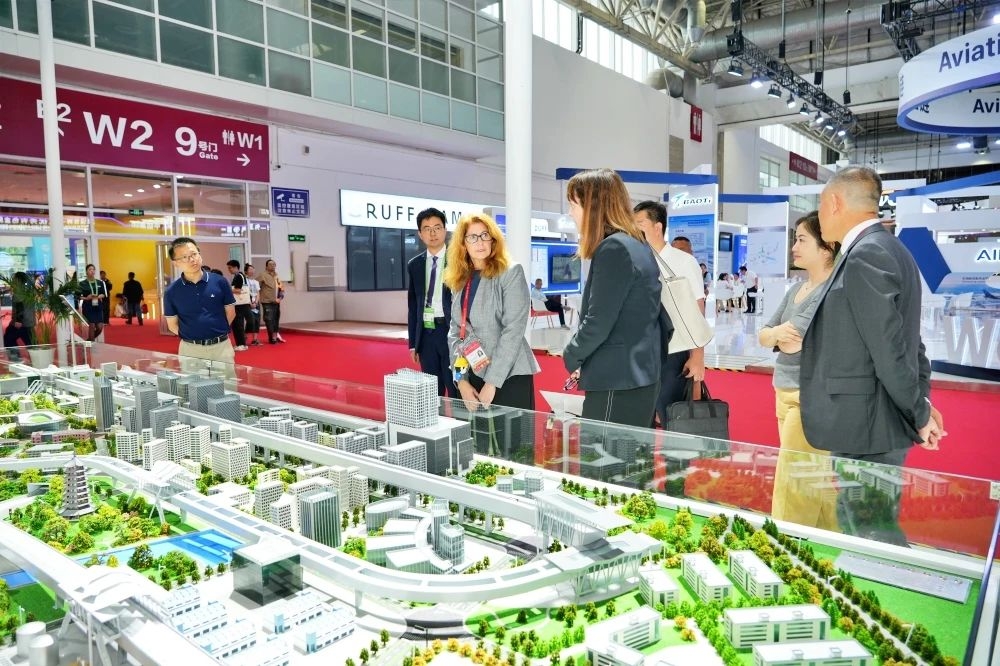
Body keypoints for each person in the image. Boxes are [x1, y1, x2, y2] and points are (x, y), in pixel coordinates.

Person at [797, 166, 945, 546]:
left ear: (834, 203)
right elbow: (908, 340)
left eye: (821, 205)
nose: (820, 215)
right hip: (872, 421)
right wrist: (922, 403)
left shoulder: (867, 255)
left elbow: (890, 349)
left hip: (868, 424)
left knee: (872, 531)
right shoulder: (887, 249)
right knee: (861, 525)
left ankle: (893, 585)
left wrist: (919, 411)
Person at [562, 168, 667, 428]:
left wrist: (572, 355)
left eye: (573, 205)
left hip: (616, 379)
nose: (571, 213)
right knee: (631, 453)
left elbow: (598, 321)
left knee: (603, 453)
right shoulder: (636, 243)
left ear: (592, 207)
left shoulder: (614, 248)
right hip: (638, 374)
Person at [757, 212, 839, 531]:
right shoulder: (797, 290)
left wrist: (776, 336)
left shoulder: (832, 290)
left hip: (811, 395)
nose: (794, 247)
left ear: (826, 247)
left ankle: (785, 541)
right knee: (813, 476)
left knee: (794, 479)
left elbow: (794, 341)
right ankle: (834, 539)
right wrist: (776, 335)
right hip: (784, 390)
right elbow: (765, 334)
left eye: (802, 240)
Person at [444, 213, 539, 411]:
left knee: (512, 433)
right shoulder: (460, 279)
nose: (480, 242)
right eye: (472, 237)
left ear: (493, 240)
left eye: (485, 235)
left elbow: (513, 330)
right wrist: (461, 381)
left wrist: (492, 382)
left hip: (508, 375)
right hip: (472, 375)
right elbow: (456, 334)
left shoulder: (511, 272)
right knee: (475, 432)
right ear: (463, 244)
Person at [634, 200, 706, 429]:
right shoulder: (635, 259)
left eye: (640, 223)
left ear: (657, 227)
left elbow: (698, 308)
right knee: (641, 419)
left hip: (674, 351)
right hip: (641, 352)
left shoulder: (684, 261)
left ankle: (676, 453)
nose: (634, 229)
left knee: (674, 417)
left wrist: (697, 356)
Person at [162, 237, 236, 367]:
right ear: (175, 263)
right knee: (193, 381)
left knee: (227, 380)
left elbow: (231, 313)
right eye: (184, 257)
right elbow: (172, 325)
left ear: (199, 255)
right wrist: (193, 337)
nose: (192, 259)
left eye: (194, 254)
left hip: (221, 347)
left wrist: (216, 333)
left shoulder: (220, 281)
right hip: (190, 350)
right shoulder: (171, 291)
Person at [407, 207, 456, 397]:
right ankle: (436, 417)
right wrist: (413, 343)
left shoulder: (458, 261)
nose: (432, 233)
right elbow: (413, 306)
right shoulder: (415, 265)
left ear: (445, 230)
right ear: (420, 234)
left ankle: (458, 418)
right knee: (431, 391)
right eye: (427, 229)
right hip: (427, 334)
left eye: (437, 228)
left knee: (456, 386)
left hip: (451, 331)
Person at [3, 271, 35, 361]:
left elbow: (20, 305)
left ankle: (16, 359)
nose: (12, 280)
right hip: (29, 322)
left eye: (14, 279)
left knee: (8, 339)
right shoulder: (28, 290)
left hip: (21, 323)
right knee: (31, 344)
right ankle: (36, 360)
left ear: (18, 280)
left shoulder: (19, 291)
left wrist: (18, 320)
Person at [226, 259, 252, 351]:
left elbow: (238, 290)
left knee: (238, 325)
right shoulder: (239, 276)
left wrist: (227, 289)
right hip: (240, 304)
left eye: (230, 268)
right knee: (236, 325)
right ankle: (240, 344)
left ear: (236, 267)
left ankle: (242, 344)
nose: (229, 270)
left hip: (240, 305)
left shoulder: (239, 276)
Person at [258, 259, 286, 344]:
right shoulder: (262, 275)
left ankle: (274, 336)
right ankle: (272, 337)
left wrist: (280, 298)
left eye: (274, 264)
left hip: (277, 302)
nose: (273, 266)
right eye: (270, 264)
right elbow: (256, 288)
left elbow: (282, 288)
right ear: (266, 266)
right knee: (269, 319)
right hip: (267, 302)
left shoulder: (277, 276)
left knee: (275, 319)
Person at [78, 264, 107, 341]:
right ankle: (91, 343)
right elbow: (78, 296)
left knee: (100, 327)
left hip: (98, 305)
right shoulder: (82, 283)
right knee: (92, 325)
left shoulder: (100, 282)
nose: (92, 271)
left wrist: (99, 296)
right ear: (86, 271)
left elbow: (104, 294)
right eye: (90, 269)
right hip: (88, 306)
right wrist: (86, 298)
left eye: (93, 269)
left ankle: (89, 340)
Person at [244, 263, 263, 346]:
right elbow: (245, 293)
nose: (252, 271)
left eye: (253, 269)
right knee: (250, 320)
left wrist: (256, 302)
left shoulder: (256, 282)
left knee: (257, 320)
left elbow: (258, 293)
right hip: (248, 302)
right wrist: (250, 303)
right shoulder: (244, 281)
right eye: (250, 269)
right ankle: (244, 336)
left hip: (256, 302)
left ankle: (255, 339)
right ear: (246, 271)